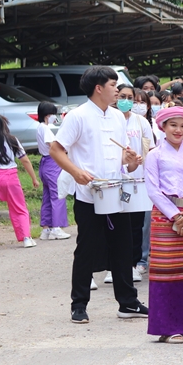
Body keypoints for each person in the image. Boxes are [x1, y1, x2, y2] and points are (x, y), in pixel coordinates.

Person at [50, 66, 145, 324]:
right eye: (113, 85)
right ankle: (78, 304)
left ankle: (128, 302)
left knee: (123, 247)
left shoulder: (117, 117)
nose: (118, 90)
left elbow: (125, 161)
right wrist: (76, 172)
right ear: (98, 88)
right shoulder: (77, 116)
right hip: (89, 193)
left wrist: (131, 161)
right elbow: (57, 150)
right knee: (86, 249)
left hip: (116, 191)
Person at [144, 106, 183, 344]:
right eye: (173, 125)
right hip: (164, 215)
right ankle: (167, 327)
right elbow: (153, 189)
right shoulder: (154, 155)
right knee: (166, 272)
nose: (178, 130)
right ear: (163, 127)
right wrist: (174, 215)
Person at [0, 113, 40, 250]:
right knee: (19, 208)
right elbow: (25, 160)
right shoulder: (13, 140)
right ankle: (26, 238)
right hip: (11, 177)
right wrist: (34, 178)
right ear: (3, 125)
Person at [113, 84, 154, 284]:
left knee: (136, 224)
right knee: (115, 223)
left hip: (138, 181)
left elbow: (151, 149)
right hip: (115, 179)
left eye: (130, 97)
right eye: (123, 96)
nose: (127, 101)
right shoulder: (110, 120)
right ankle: (113, 266)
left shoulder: (141, 122)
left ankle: (136, 263)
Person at [35, 102, 70, 241]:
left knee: (48, 195)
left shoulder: (40, 128)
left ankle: (46, 228)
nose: (54, 117)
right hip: (51, 163)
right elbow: (54, 146)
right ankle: (57, 227)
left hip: (44, 163)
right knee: (57, 194)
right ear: (47, 115)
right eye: (52, 114)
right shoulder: (46, 129)